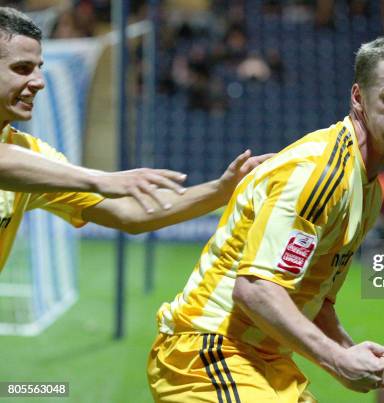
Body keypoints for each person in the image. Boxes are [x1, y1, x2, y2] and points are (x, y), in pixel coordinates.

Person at [147, 36, 384, 402]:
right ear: (358, 98)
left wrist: (350, 351)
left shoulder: (368, 188)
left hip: (262, 359)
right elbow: (255, 289)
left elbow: (312, 298)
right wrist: (337, 361)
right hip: (207, 352)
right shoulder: (323, 172)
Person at [0, 7, 269, 272]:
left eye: (38, 68)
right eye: (22, 69)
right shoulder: (29, 161)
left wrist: (222, 190)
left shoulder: (32, 155)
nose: (39, 81)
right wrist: (101, 179)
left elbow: (130, 213)